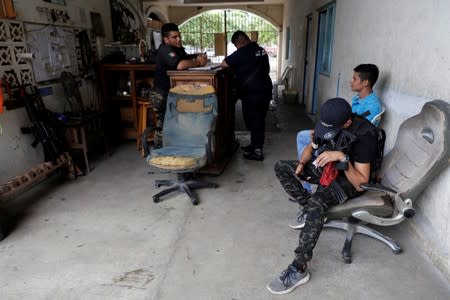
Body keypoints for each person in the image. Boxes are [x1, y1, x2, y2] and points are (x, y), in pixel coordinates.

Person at [267, 98, 379, 295]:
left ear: (347, 123)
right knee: (282, 168)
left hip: (350, 177)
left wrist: (342, 158)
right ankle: (306, 205)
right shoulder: (327, 121)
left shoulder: (364, 135)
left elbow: (361, 183)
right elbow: (312, 146)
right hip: (328, 167)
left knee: (318, 202)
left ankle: (299, 267)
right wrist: (302, 165)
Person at [295, 64, 382, 195]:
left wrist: (329, 134)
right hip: (340, 131)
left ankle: (309, 184)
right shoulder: (358, 99)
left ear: (365, 83)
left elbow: (356, 132)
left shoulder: (372, 106)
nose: (350, 81)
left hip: (346, 141)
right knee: (310, 140)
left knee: (303, 137)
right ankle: (308, 173)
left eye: (354, 79)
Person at [150, 23, 208, 149]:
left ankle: (175, 149)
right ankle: (159, 151)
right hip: (161, 93)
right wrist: (198, 62)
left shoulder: (177, 49)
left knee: (177, 123)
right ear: (166, 39)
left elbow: (186, 59)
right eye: (174, 37)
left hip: (173, 92)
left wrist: (196, 57)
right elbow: (180, 65)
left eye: (179, 36)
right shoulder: (165, 49)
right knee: (164, 124)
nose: (179, 39)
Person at [220, 31, 273, 161]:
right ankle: (254, 144)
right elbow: (267, 69)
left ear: (239, 43)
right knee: (257, 120)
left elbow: (224, 63)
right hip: (265, 90)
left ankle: (257, 151)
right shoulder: (261, 50)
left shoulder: (242, 52)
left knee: (255, 121)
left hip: (253, 93)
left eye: (236, 46)